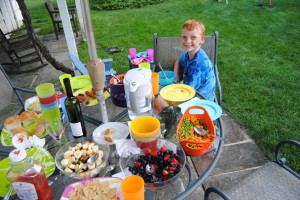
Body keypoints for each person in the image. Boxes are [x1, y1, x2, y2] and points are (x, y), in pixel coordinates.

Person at [174, 19, 216, 101]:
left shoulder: (197, 67)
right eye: (184, 37)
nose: (188, 41)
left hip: (200, 102)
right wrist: (176, 76)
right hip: (191, 91)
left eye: (193, 37)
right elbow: (178, 61)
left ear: (202, 40)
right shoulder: (189, 53)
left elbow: (188, 95)